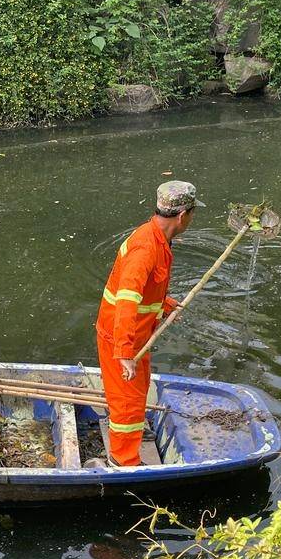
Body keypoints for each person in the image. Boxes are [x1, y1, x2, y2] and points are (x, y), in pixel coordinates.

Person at [93, 180, 201, 467]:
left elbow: (144, 291)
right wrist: (125, 353)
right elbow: (127, 301)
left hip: (137, 334)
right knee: (126, 403)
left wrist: (165, 305)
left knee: (137, 392)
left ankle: (130, 440)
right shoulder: (145, 248)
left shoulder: (158, 240)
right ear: (182, 216)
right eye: (192, 214)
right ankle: (124, 461)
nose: (191, 220)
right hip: (121, 337)